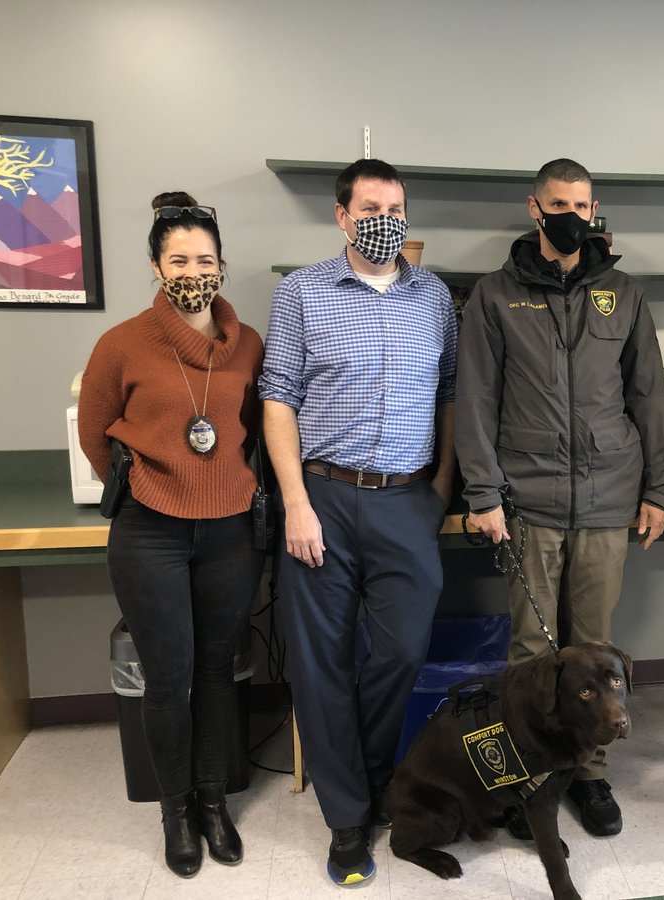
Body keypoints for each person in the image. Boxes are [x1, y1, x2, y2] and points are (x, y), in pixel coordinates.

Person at [455, 158, 664, 838]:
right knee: (530, 653)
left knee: (597, 651)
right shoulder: (495, 295)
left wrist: (659, 487)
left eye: (581, 204)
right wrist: (483, 493)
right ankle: (531, 781)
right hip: (528, 501)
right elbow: (476, 400)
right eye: (558, 203)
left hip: (609, 498)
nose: (570, 214)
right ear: (534, 207)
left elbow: (647, 395)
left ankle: (592, 776)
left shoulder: (624, 293)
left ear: (594, 208)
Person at [259, 159, 457, 885]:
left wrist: (438, 489)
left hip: (407, 500)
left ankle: (370, 780)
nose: (387, 220)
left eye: (397, 208)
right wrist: (296, 503)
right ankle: (348, 818)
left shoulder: (434, 297)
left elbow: (449, 397)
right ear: (341, 215)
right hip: (323, 499)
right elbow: (277, 398)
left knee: (402, 651)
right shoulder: (302, 293)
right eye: (371, 206)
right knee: (319, 662)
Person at [78, 193, 265, 878]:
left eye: (206, 258)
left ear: (223, 265)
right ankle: (177, 814)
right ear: (156, 265)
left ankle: (215, 804)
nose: (194, 269)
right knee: (168, 680)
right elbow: (96, 436)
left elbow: (256, 429)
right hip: (149, 531)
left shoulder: (247, 344)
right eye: (180, 258)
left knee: (218, 673)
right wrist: (153, 488)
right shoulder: (122, 343)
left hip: (230, 531)